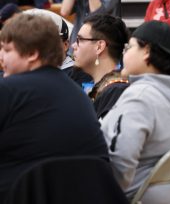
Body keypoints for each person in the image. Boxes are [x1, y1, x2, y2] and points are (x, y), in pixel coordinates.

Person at [0, 14, 108, 203]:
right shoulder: (77, 94)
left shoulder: (10, 90)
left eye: (7, 50)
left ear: (32, 54)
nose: (1, 57)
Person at [101, 20, 170, 203]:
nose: (124, 53)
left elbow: (120, 163)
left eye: (129, 47)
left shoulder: (140, 97)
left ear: (146, 51)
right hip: (168, 194)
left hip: (130, 195)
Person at [72, 14, 130, 119]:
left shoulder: (115, 92)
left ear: (99, 46)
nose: (73, 46)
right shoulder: (105, 89)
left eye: (79, 40)